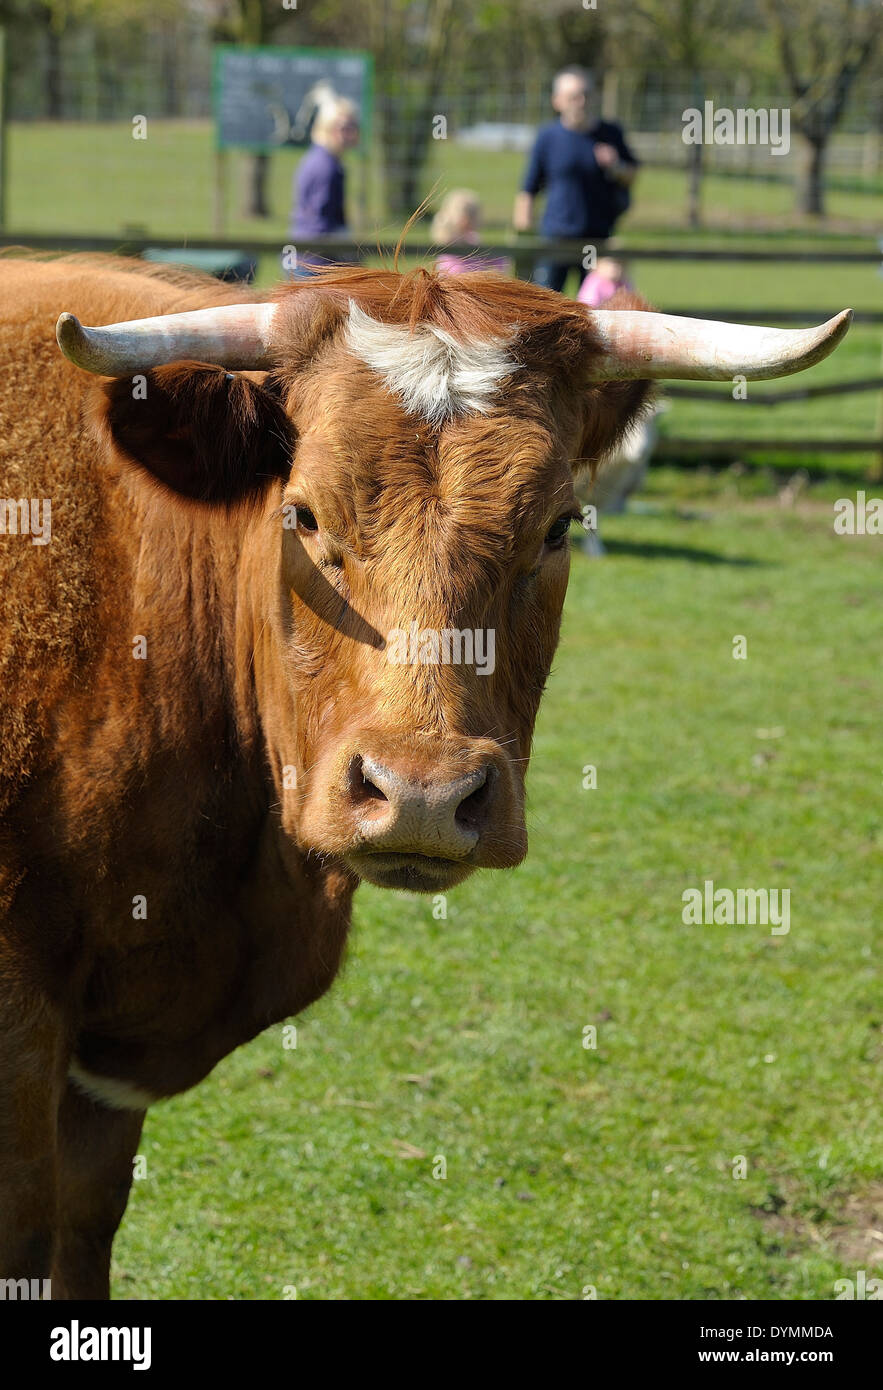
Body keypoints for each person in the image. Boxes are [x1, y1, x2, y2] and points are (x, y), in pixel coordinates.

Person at [513, 67, 639, 294]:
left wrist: (616, 165)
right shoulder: (547, 137)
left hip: (598, 240)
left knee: (596, 314)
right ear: (557, 101)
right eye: (573, 96)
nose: (581, 101)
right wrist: (523, 236)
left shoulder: (610, 133)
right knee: (547, 307)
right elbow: (528, 189)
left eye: (586, 95)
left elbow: (632, 175)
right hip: (555, 238)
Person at [287, 97, 360, 277]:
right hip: (314, 262)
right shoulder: (326, 167)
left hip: (304, 254)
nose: (349, 133)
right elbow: (320, 221)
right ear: (327, 128)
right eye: (343, 128)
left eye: (353, 127)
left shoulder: (320, 159)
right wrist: (348, 256)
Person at [431, 190, 511, 275]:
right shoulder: (447, 239)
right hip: (456, 282)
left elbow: (493, 258)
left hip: (472, 283)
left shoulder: (473, 239)